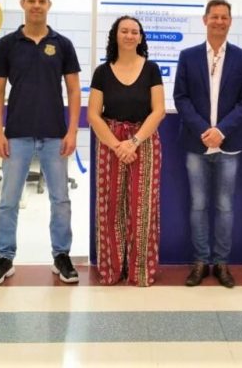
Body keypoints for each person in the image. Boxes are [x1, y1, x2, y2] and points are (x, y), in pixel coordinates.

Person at [0, 0, 81, 287]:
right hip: (17, 135)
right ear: (22, 3)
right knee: (8, 200)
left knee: (61, 200)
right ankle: (4, 258)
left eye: (41, 0)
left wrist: (72, 131)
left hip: (55, 135)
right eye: (31, 0)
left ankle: (61, 256)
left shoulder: (62, 44)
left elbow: (75, 89)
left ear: (49, 5)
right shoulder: (8, 44)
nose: (36, 5)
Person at [174, 0, 242, 288]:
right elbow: (180, 98)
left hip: (229, 144)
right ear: (204, 20)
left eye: (224, 17)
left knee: (224, 206)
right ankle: (199, 262)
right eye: (214, 16)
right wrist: (203, 130)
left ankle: (220, 263)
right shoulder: (188, 56)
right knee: (197, 205)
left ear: (230, 21)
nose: (219, 21)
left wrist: (221, 130)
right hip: (196, 144)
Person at [87, 15, 165, 287]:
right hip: (110, 145)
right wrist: (117, 145)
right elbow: (94, 115)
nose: (130, 35)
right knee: (110, 208)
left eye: (135, 31)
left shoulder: (152, 69)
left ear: (141, 38)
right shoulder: (102, 72)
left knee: (142, 209)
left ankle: (139, 271)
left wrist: (133, 142)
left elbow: (159, 111)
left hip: (144, 143)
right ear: (115, 35)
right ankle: (111, 269)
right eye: (125, 31)